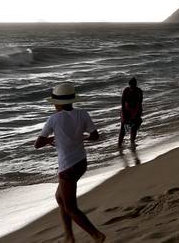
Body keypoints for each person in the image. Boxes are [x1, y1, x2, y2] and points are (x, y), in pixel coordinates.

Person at [34, 83, 106, 243]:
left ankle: (96, 235)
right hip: (81, 162)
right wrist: (79, 138)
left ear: (58, 103)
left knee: (71, 208)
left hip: (67, 166)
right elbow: (94, 136)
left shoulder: (53, 119)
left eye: (54, 102)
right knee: (60, 198)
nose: (53, 105)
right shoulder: (82, 113)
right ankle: (69, 236)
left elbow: (37, 144)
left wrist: (49, 140)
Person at [118, 77, 143, 149]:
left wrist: (140, 112)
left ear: (136, 85)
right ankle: (119, 145)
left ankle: (132, 143)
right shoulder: (126, 90)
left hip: (135, 110)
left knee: (134, 128)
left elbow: (140, 102)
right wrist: (124, 114)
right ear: (129, 85)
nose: (132, 87)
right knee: (123, 129)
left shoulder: (139, 91)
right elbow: (122, 102)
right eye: (131, 85)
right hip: (126, 110)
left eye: (134, 85)